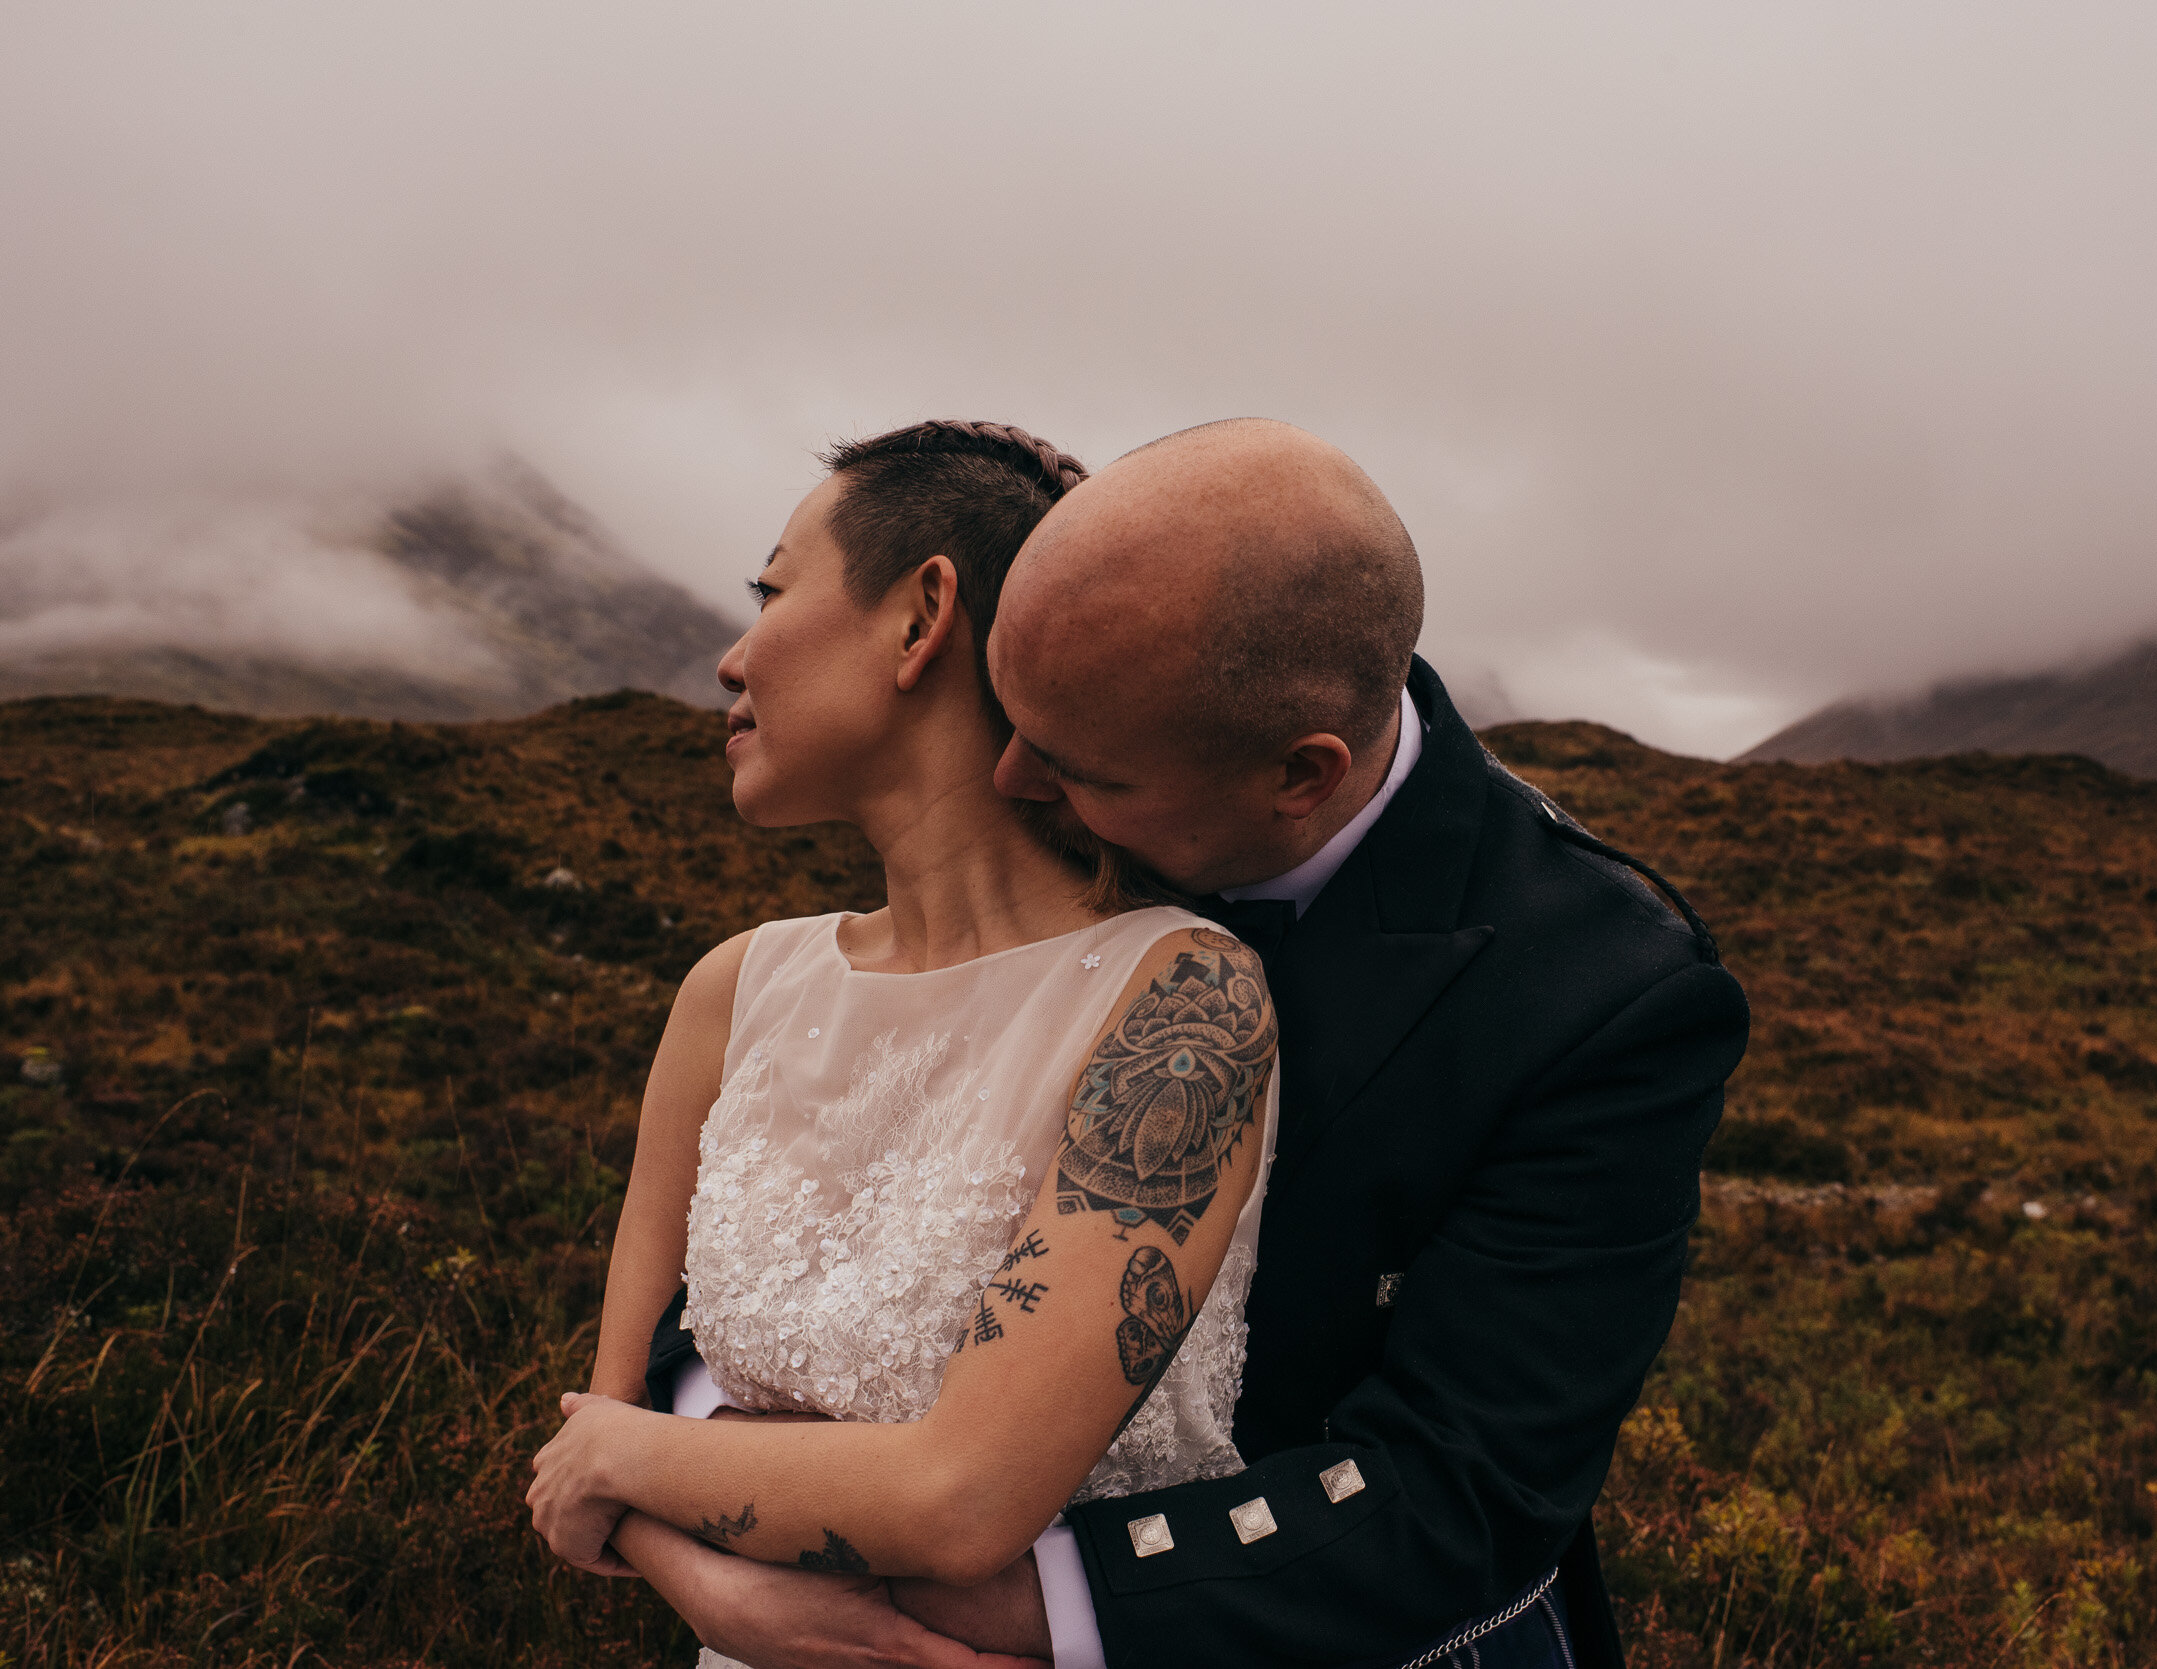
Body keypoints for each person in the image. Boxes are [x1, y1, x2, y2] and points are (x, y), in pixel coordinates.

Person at [605, 419, 1751, 1669]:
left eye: (1071, 767)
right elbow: (764, 1272)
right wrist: (715, 1564)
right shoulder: (1136, 662)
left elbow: (1459, 1489)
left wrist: (926, 1600)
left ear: (1298, 778)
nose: (1005, 779)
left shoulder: (1601, 989)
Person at [525, 419, 1282, 1669]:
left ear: (922, 614)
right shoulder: (735, 989)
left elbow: (962, 1498)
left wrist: (621, 1461)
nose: (730, 656)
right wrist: (725, 1600)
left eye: (770, 590)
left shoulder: (1180, 1000)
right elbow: (590, 1455)